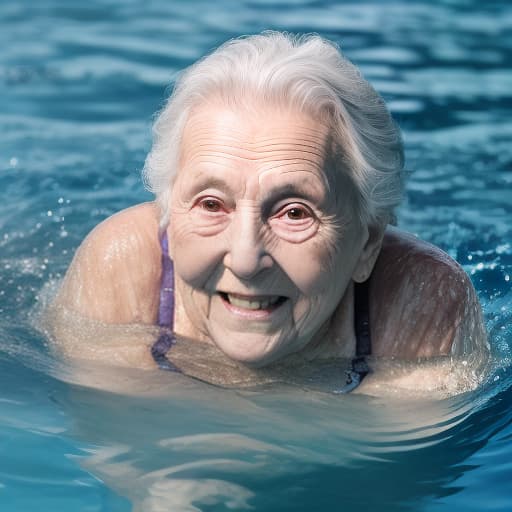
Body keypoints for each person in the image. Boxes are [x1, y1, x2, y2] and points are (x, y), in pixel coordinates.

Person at [47, 31, 488, 393]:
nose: (244, 259)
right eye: (211, 204)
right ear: (167, 214)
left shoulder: (423, 307)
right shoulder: (122, 272)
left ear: (368, 242)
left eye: (294, 213)